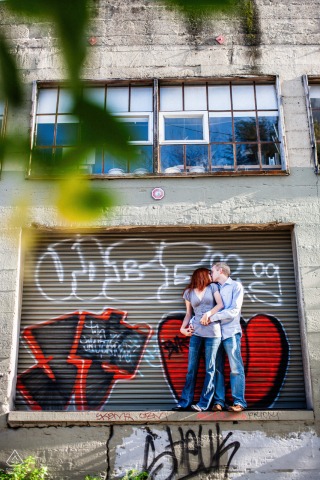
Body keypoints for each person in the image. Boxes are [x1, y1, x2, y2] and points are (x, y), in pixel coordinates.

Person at [172, 267, 224, 412]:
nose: (211, 276)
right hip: (196, 333)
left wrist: (208, 314)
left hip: (213, 333)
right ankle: (184, 402)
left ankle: (203, 403)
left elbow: (220, 305)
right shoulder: (188, 293)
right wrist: (182, 329)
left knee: (210, 368)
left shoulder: (213, 287)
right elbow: (188, 314)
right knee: (191, 368)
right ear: (201, 275)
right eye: (209, 274)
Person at [209, 262, 247, 413]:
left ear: (220, 270)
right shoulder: (214, 288)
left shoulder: (236, 286)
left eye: (212, 271)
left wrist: (211, 317)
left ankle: (239, 402)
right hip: (214, 334)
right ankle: (219, 402)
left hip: (231, 332)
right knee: (217, 368)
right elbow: (204, 309)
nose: (210, 274)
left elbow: (233, 311)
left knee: (236, 368)